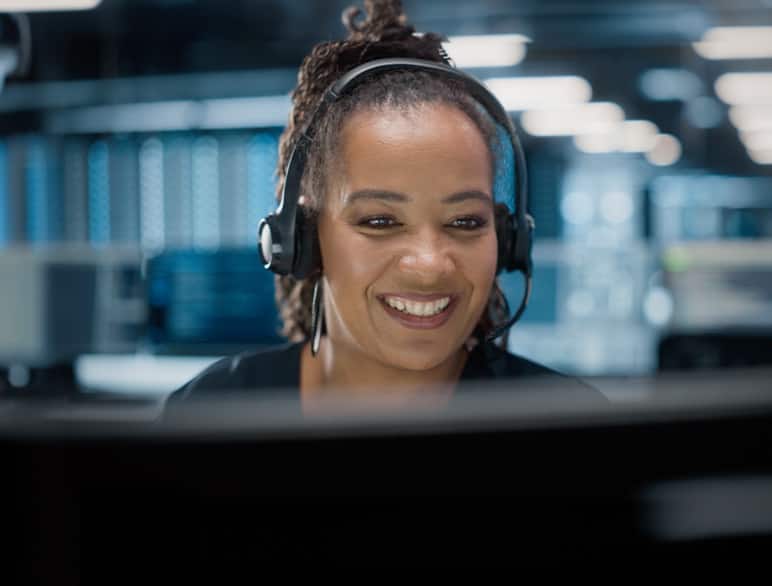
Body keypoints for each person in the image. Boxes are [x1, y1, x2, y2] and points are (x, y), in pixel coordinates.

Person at [167, 0, 603, 414]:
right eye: (380, 221)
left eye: (465, 221)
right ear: (302, 239)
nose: (430, 265)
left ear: (508, 242)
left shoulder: (569, 428)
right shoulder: (213, 411)